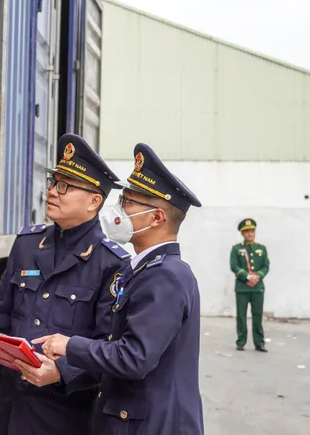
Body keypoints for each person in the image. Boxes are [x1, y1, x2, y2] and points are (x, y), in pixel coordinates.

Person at [32, 143, 205, 435]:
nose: (118, 209)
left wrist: (70, 345)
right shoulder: (144, 269)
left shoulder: (165, 276)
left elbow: (134, 357)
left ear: (156, 218)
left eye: (128, 202)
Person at [0, 134, 131, 435]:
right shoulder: (28, 244)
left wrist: (61, 372)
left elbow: (108, 347)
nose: (52, 192)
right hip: (11, 408)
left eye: (65, 186)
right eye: (54, 182)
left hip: (63, 414)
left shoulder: (110, 263)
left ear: (94, 201)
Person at [230, 218, 270, 352]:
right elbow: (234, 265)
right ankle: (241, 341)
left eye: (252, 231)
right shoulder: (236, 249)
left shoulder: (261, 249)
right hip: (242, 288)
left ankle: (259, 343)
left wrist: (258, 276)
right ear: (242, 233)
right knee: (241, 316)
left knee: (257, 316)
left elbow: (266, 266)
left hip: (257, 288)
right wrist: (247, 276)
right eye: (247, 231)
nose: (250, 234)